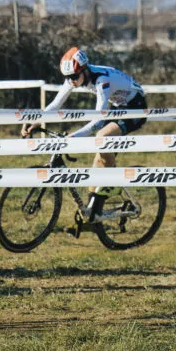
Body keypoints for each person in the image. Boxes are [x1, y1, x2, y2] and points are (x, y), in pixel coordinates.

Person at [20, 47, 147, 221]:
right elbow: (55, 105)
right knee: (98, 163)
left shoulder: (102, 81)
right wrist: (35, 121)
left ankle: (114, 182)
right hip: (119, 107)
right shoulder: (75, 76)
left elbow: (98, 120)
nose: (71, 81)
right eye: (67, 78)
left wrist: (73, 137)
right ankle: (92, 213)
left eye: (73, 77)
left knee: (102, 137)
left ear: (84, 70)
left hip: (135, 107)